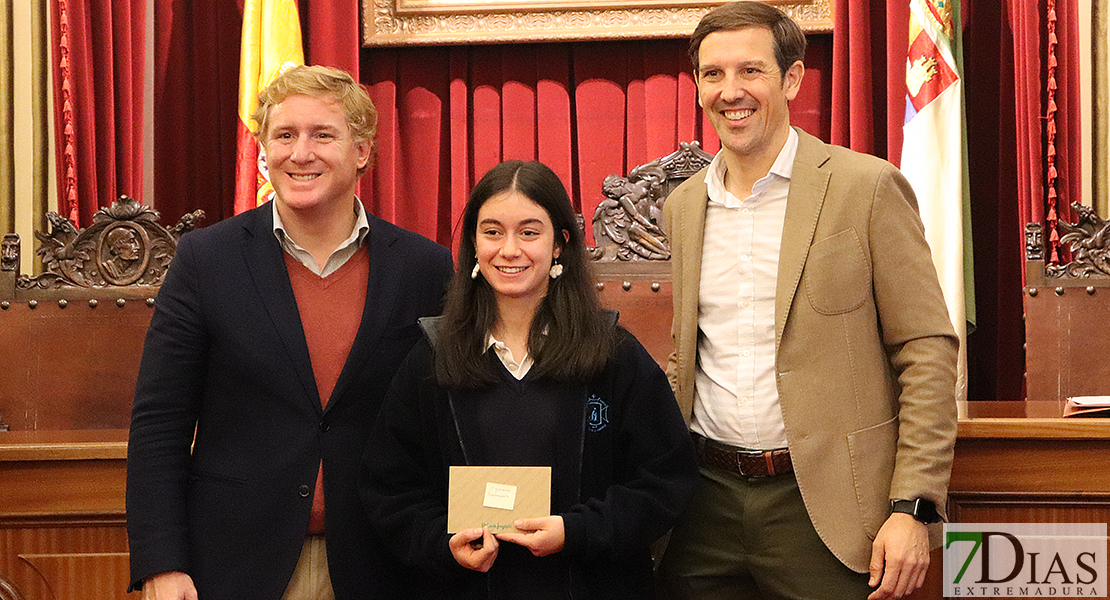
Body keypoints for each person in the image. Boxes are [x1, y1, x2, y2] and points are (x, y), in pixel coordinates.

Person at [655, 3, 959, 600]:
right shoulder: (684, 207)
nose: (730, 91)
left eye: (751, 71)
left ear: (791, 79)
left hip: (825, 512)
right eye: (712, 75)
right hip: (702, 508)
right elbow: (688, 357)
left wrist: (913, 507)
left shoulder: (866, 188)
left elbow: (926, 351)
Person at [126, 65, 453, 600]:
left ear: (362, 152)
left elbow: (453, 418)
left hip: (386, 566)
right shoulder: (206, 261)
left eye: (322, 134)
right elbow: (159, 424)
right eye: (284, 135)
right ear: (264, 151)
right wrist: (162, 561)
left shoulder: (424, 268)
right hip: (234, 567)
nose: (301, 153)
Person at [359, 160, 698, 599]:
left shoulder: (613, 354)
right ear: (474, 244)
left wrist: (576, 531)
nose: (509, 249)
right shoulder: (433, 354)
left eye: (529, 232)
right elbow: (389, 487)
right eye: (493, 231)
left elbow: (666, 479)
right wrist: (441, 544)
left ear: (559, 244)